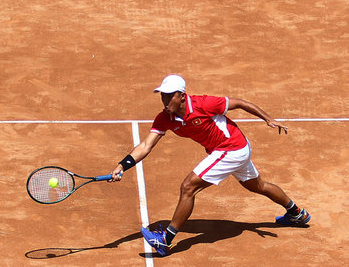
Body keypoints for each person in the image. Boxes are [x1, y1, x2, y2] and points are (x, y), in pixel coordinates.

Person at [109, 74, 310, 257]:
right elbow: (145, 146)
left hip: (231, 147)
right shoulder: (164, 118)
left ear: (181, 95)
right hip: (232, 148)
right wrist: (122, 165)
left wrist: (267, 118)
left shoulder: (203, 104)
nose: (164, 100)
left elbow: (238, 103)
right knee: (257, 185)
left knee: (188, 186)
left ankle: (165, 240)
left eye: (168, 95)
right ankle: (296, 213)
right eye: (162, 95)